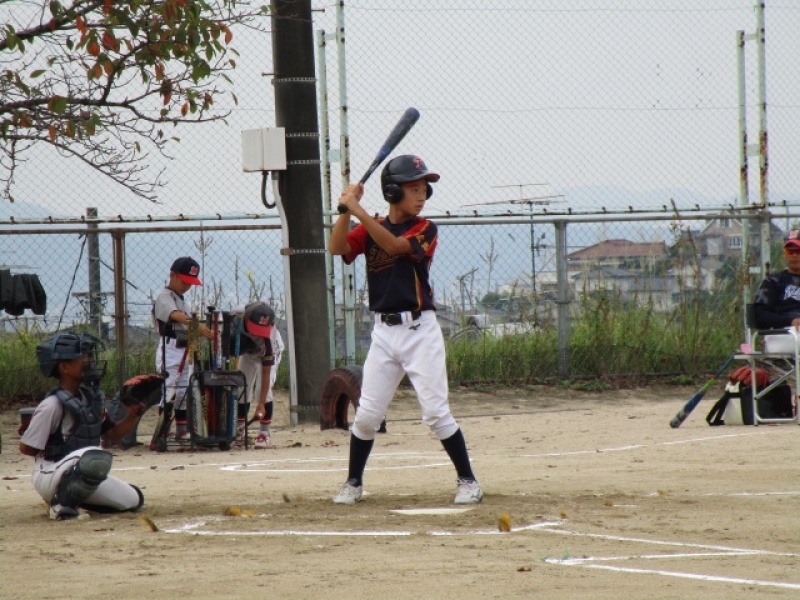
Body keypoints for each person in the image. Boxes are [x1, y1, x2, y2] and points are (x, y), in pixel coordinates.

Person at [327, 154, 483, 505]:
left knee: (436, 413)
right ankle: (353, 482)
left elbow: (395, 246)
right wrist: (346, 211)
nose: (421, 195)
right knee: (367, 415)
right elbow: (337, 248)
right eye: (414, 189)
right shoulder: (371, 226)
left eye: (424, 189)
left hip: (419, 332)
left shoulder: (425, 228)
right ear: (392, 192)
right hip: (384, 334)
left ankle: (468, 481)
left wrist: (359, 211)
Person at [19, 331, 146, 520]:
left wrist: (134, 414)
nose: (90, 362)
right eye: (84, 357)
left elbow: (113, 434)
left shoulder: (90, 399)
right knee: (93, 455)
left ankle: (75, 500)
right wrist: (61, 451)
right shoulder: (52, 404)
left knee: (133, 499)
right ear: (64, 367)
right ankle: (59, 504)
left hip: (82, 470)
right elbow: (26, 448)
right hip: (50, 473)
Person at [152, 256, 213, 444]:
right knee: (171, 389)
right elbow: (175, 315)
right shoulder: (164, 296)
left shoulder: (181, 299)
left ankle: (181, 430)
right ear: (172, 275)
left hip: (184, 349)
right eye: (184, 281)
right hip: (170, 347)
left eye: (190, 283)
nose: (187, 286)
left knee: (183, 391)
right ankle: (163, 432)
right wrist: (196, 325)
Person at [232, 302, 284, 449]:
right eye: (255, 327)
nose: (258, 332)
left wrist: (260, 404)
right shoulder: (237, 314)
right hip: (248, 353)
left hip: (266, 354)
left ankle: (264, 434)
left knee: (261, 390)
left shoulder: (270, 340)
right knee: (241, 386)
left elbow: (266, 373)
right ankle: (240, 431)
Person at [753, 230, 800, 329]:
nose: (794, 255)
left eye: (798, 251)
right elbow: (760, 316)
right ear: (784, 255)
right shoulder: (773, 281)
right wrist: (790, 321)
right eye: (790, 251)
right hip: (783, 331)